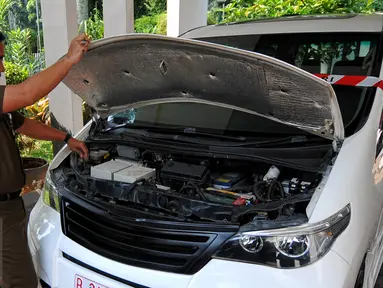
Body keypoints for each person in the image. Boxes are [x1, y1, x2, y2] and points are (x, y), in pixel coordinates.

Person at [0, 32, 90, 288]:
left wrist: (66, 138)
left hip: (10, 209)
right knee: (22, 283)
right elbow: (27, 93)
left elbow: (23, 124)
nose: (2, 67)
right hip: (1, 215)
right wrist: (69, 60)